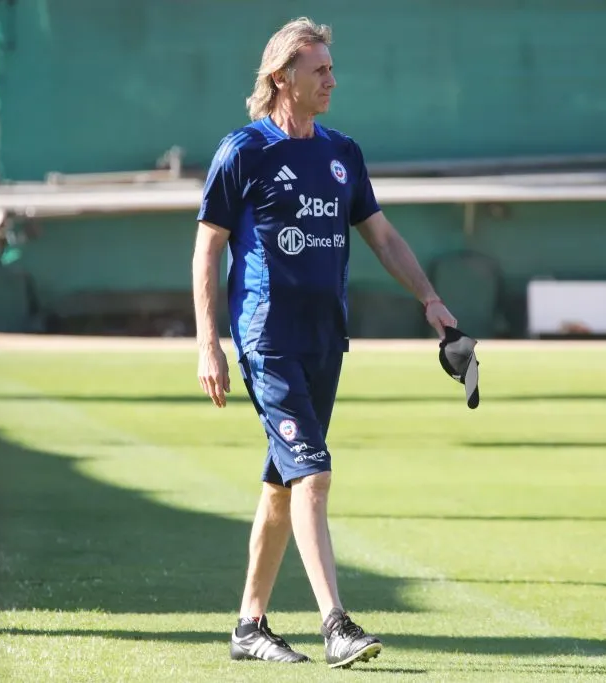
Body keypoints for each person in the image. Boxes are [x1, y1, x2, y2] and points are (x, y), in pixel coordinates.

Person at [191, 16, 457, 669]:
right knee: (314, 473)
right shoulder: (244, 151)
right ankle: (334, 621)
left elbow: (384, 237)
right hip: (267, 338)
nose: (332, 79)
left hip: (324, 340)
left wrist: (430, 296)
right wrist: (209, 343)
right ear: (283, 76)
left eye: (332, 69)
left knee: (283, 484)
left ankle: (248, 625)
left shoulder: (343, 154)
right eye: (320, 70)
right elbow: (207, 249)